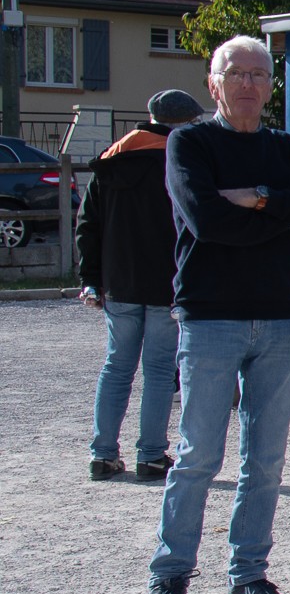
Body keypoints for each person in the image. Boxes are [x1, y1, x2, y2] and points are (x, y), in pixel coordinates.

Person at [145, 36, 290, 594]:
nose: (251, 85)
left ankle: (248, 577)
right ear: (214, 83)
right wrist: (282, 214)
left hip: (279, 318)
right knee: (198, 455)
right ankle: (170, 582)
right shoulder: (190, 142)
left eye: (260, 74)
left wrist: (259, 199)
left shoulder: (283, 148)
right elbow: (205, 221)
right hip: (210, 317)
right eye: (238, 74)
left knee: (266, 459)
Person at [77, 88, 203, 482]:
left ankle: (103, 455)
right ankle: (150, 455)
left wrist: (91, 280)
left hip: (119, 282)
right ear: (183, 123)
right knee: (160, 371)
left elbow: (87, 226)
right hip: (166, 281)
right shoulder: (180, 159)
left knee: (116, 367)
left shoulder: (111, 159)